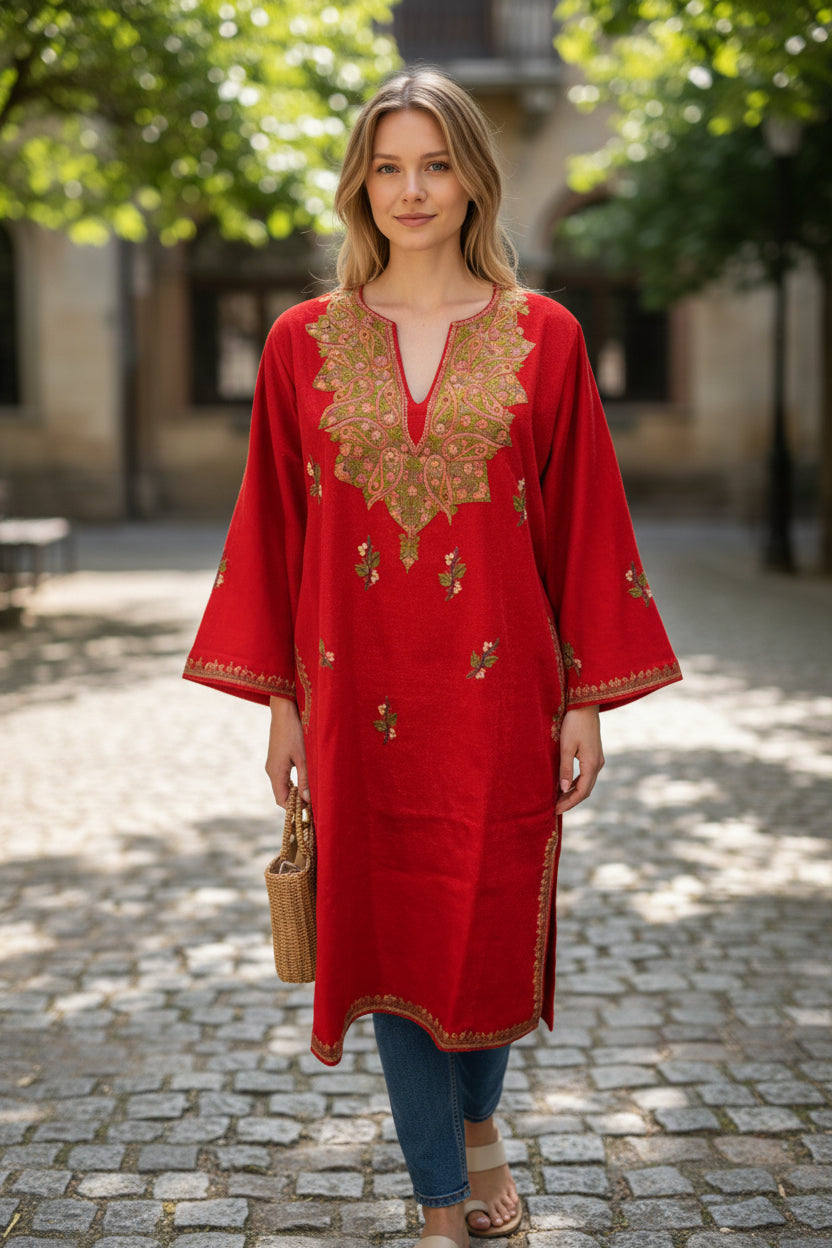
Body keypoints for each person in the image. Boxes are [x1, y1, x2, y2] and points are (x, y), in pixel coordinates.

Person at [184, 68, 681, 1247]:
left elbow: (584, 522)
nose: (411, 191)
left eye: (436, 165)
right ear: (360, 186)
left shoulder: (544, 336)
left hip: (502, 691)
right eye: (388, 168)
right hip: (355, 693)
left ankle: (476, 1125)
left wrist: (584, 699)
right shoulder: (301, 344)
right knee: (391, 925)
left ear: (473, 181)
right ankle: (441, 1208)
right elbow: (273, 527)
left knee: (490, 911)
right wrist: (281, 703)